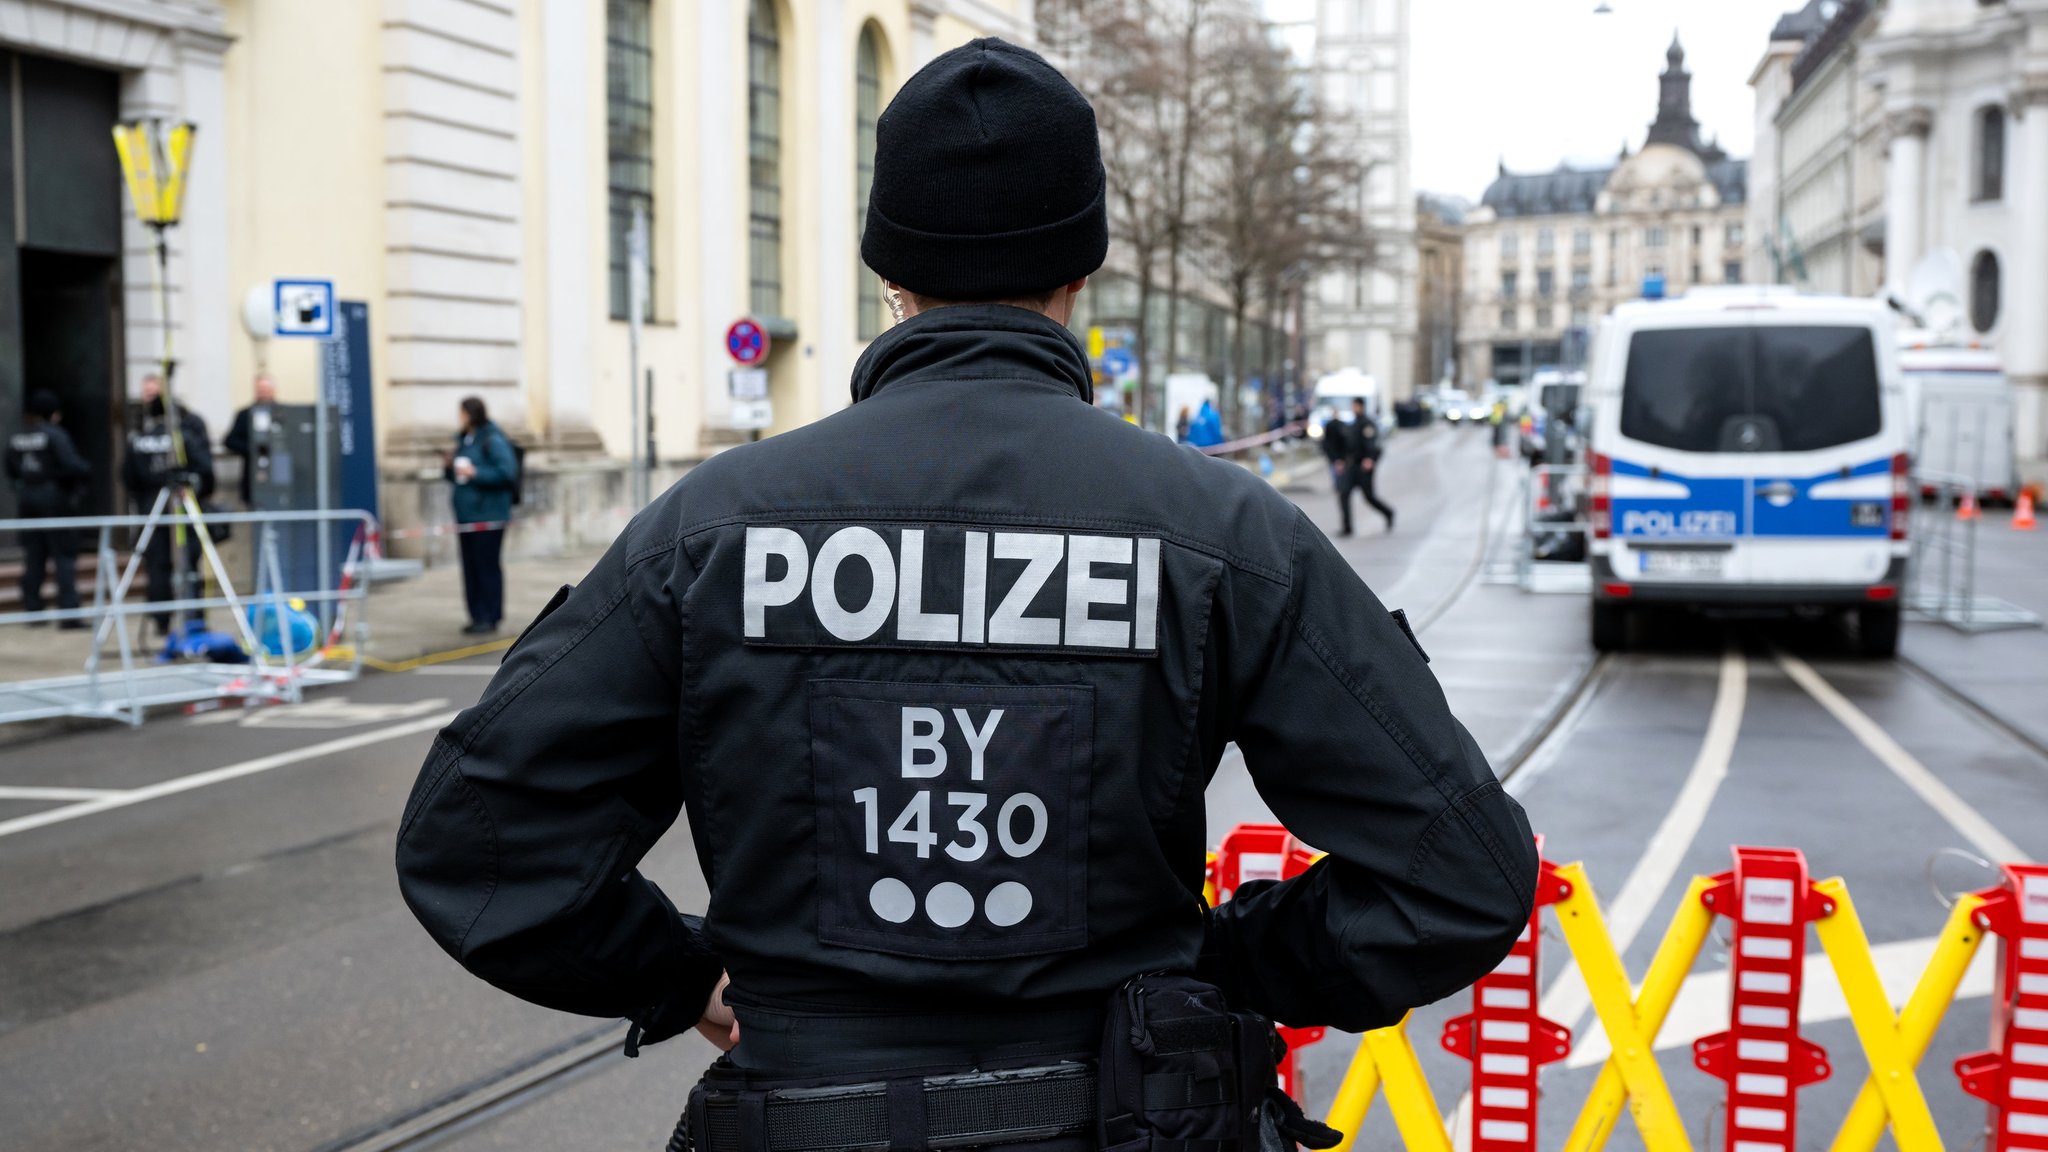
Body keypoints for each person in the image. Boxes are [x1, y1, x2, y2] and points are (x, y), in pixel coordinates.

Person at [397, 38, 1535, 1152]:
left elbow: (478, 841)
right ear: (1079, 268)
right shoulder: (1222, 534)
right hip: (1123, 1112)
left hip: (800, 1117)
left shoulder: (711, 532)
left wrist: (676, 973)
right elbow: (1462, 877)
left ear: (888, 271)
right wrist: (1220, 966)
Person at [124, 374, 214, 632]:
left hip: (150, 504)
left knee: (157, 566)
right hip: (179, 504)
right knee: (188, 562)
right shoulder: (181, 437)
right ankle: (194, 619)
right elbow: (205, 469)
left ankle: (161, 621)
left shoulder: (138, 439)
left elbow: (127, 476)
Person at [5, 390, 91, 627]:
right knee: (64, 557)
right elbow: (73, 465)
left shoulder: (18, 437)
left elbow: (11, 469)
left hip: (27, 499)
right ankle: (69, 615)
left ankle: (33, 611)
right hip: (54, 500)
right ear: (54, 413)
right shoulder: (55, 435)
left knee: (34, 557)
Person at [441, 396, 518, 634]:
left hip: (488, 516)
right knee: (470, 568)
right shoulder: (464, 441)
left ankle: (490, 616)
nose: (459, 419)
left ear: (471, 415)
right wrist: (449, 466)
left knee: (487, 567)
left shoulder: (492, 440)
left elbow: (507, 472)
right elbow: (456, 477)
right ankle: (476, 616)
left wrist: (475, 472)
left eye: (462, 413)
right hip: (466, 517)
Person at [222, 373, 278, 508]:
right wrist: (253, 449)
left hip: (278, 474)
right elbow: (230, 440)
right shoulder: (245, 414)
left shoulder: (283, 413)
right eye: (260, 390)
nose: (263, 394)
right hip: (252, 477)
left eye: (266, 390)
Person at [1345, 397, 1396, 533]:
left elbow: (1372, 445)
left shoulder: (1367, 424)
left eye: (1355, 406)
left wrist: (1369, 459)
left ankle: (1388, 512)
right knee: (1344, 493)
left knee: (1369, 496)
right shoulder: (1354, 423)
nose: (1353, 409)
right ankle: (1347, 527)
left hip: (1364, 466)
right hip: (1353, 465)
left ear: (1361, 407)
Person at [1318, 404, 1360, 536]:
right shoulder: (1340, 426)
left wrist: (1338, 460)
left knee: (1343, 492)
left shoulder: (1340, 426)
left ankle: (1347, 527)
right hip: (1341, 462)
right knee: (1342, 493)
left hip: (1343, 464)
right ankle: (1347, 527)